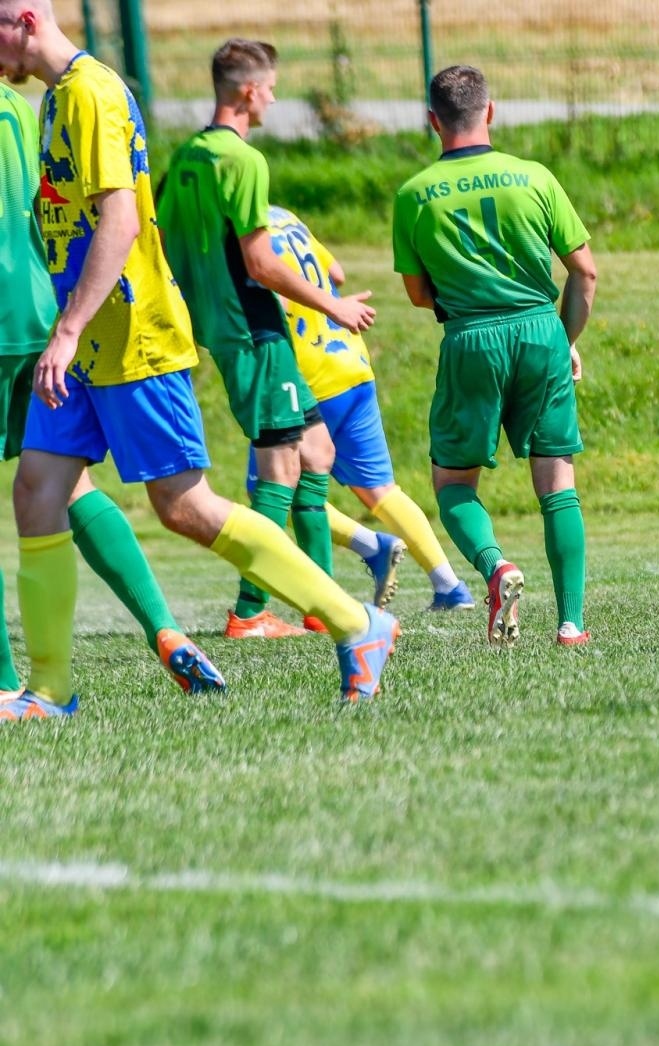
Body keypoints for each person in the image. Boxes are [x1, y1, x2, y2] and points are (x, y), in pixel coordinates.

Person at [0, 2, 397, 715]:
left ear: (24, 20)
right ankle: (50, 691)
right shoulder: (55, 99)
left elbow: (120, 219)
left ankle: (356, 622)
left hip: (133, 334)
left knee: (184, 507)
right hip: (85, 341)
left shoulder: (92, 91)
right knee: (35, 492)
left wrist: (67, 329)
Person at [0, 78, 225, 707]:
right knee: (59, 483)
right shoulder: (29, 107)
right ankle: (165, 630)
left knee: (68, 487)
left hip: (17, 321)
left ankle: (7, 682)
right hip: (49, 315)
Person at [156, 39, 365, 639]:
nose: (274, 97)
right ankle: (250, 612)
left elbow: (163, 245)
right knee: (279, 469)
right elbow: (261, 263)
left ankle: (320, 606)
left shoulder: (189, 156)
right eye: (270, 87)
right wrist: (334, 305)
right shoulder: (243, 161)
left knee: (316, 452)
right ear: (249, 91)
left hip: (223, 328)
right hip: (252, 328)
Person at [393, 65, 596, 647]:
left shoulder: (413, 194)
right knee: (557, 481)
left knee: (453, 482)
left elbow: (416, 293)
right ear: (492, 112)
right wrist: (566, 342)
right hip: (540, 332)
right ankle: (571, 622)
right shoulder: (534, 177)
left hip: (471, 337)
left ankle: (495, 566)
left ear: (434, 122)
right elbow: (584, 270)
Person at [238, 204, 475, 624]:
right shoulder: (284, 215)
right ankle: (449, 585)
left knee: (270, 486)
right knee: (381, 490)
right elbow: (338, 273)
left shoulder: (241, 234)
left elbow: (260, 279)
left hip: (303, 371)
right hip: (349, 358)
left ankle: (371, 547)